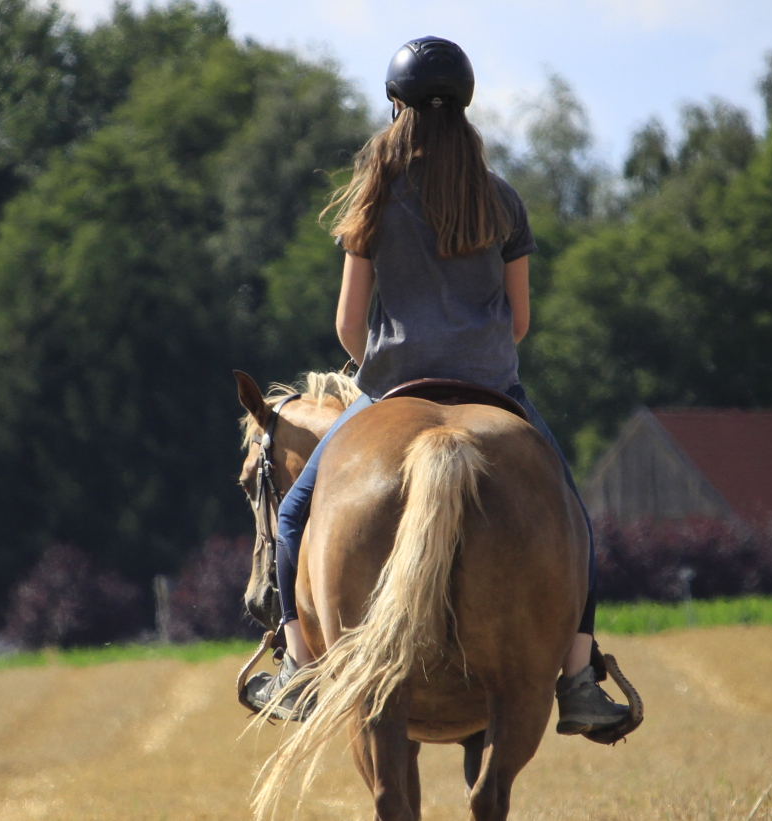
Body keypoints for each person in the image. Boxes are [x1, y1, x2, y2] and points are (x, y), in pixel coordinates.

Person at [244, 36, 630, 735]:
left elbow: (347, 324)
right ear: (467, 108)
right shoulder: (503, 201)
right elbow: (518, 322)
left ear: (395, 108)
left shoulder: (375, 197)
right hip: (492, 388)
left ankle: (297, 669)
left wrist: (384, 372)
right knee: (573, 515)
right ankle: (577, 678)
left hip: (393, 386)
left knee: (297, 514)